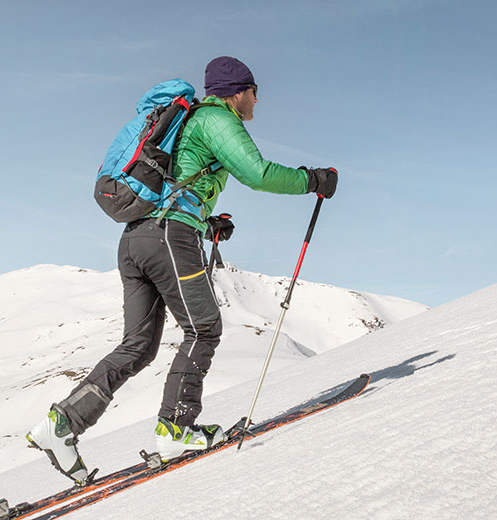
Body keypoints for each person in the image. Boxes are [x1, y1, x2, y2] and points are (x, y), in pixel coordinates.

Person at [26, 56, 338, 484]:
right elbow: (258, 173)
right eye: (254, 91)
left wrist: (206, 222)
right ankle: (175, 430)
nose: (257, 100)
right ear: (237, 92)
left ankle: (62, 423)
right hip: (169, 238)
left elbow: (175, 184)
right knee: (204, 328)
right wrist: (313, 180)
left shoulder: (187, 123)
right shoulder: (216, 119)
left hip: (137, 240)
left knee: (138, 346)